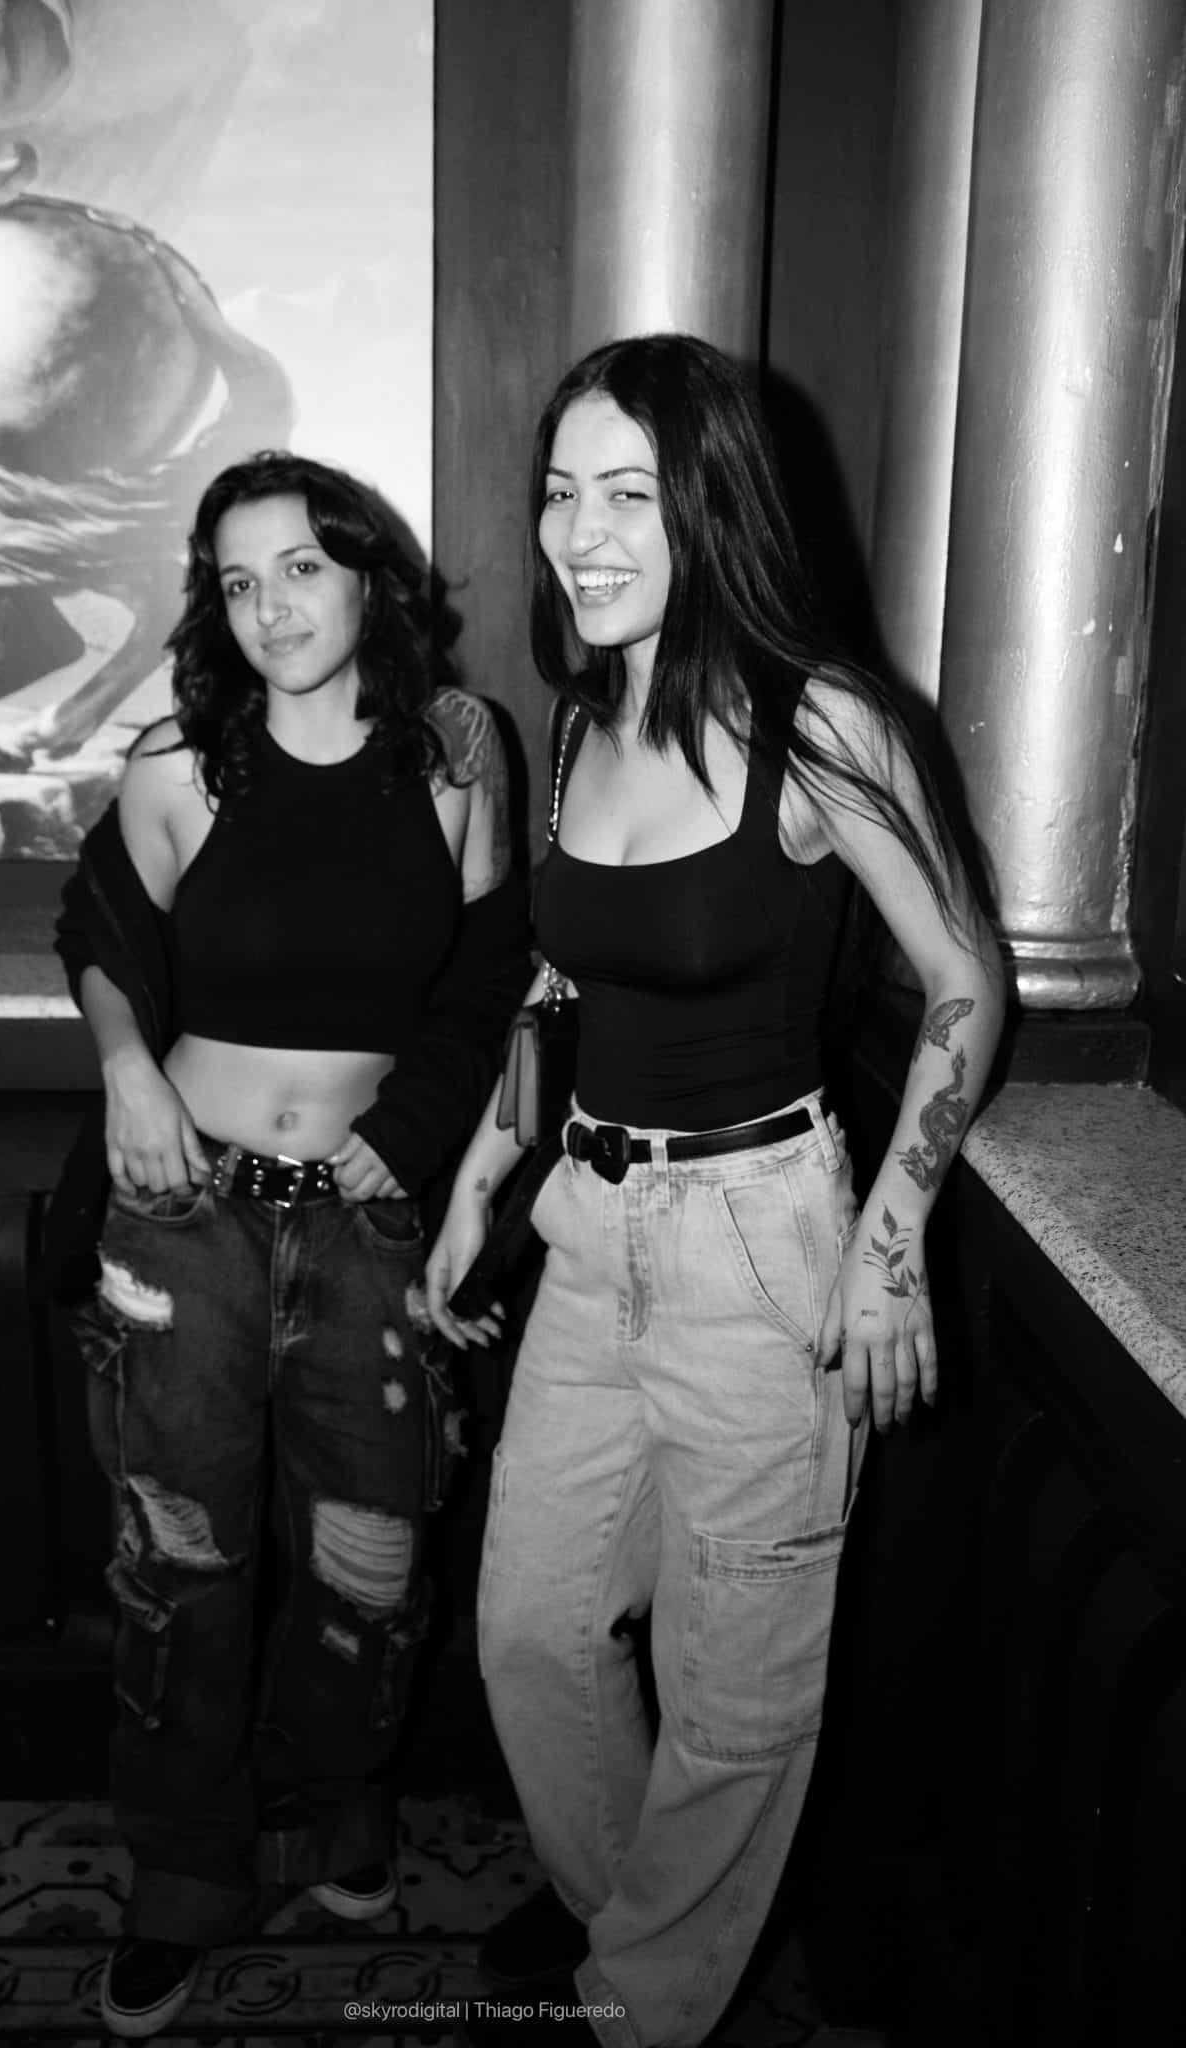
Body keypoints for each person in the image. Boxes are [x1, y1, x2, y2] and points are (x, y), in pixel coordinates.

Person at [425, 334, 1006, 2048]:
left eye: (628, 495)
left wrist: (888, 1244)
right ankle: (632, 1924)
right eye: (559, 493)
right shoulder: (581, 716)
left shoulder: (821, 723)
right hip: (585, 1224)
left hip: (760, 1240)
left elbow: (966, 982)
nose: (579, 535)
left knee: (734, 1690)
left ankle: (640, 2008)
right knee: (531, 1635)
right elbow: (560, 982)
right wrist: (480, 1172)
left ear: (711, 506)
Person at [50, 448, 529, 2039]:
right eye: (238, 582)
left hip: (374, 1220)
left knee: (369, 1559)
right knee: (178, 1569)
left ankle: (338, 1807)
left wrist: (420, 1124)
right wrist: (126, 1066)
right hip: (183, 1220)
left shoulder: (457, 753)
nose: (271, 609)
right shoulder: (180, 763)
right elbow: (96, 929)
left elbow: (492, 972)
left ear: (368, 574)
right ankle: (183, 1873)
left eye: (301, 569)